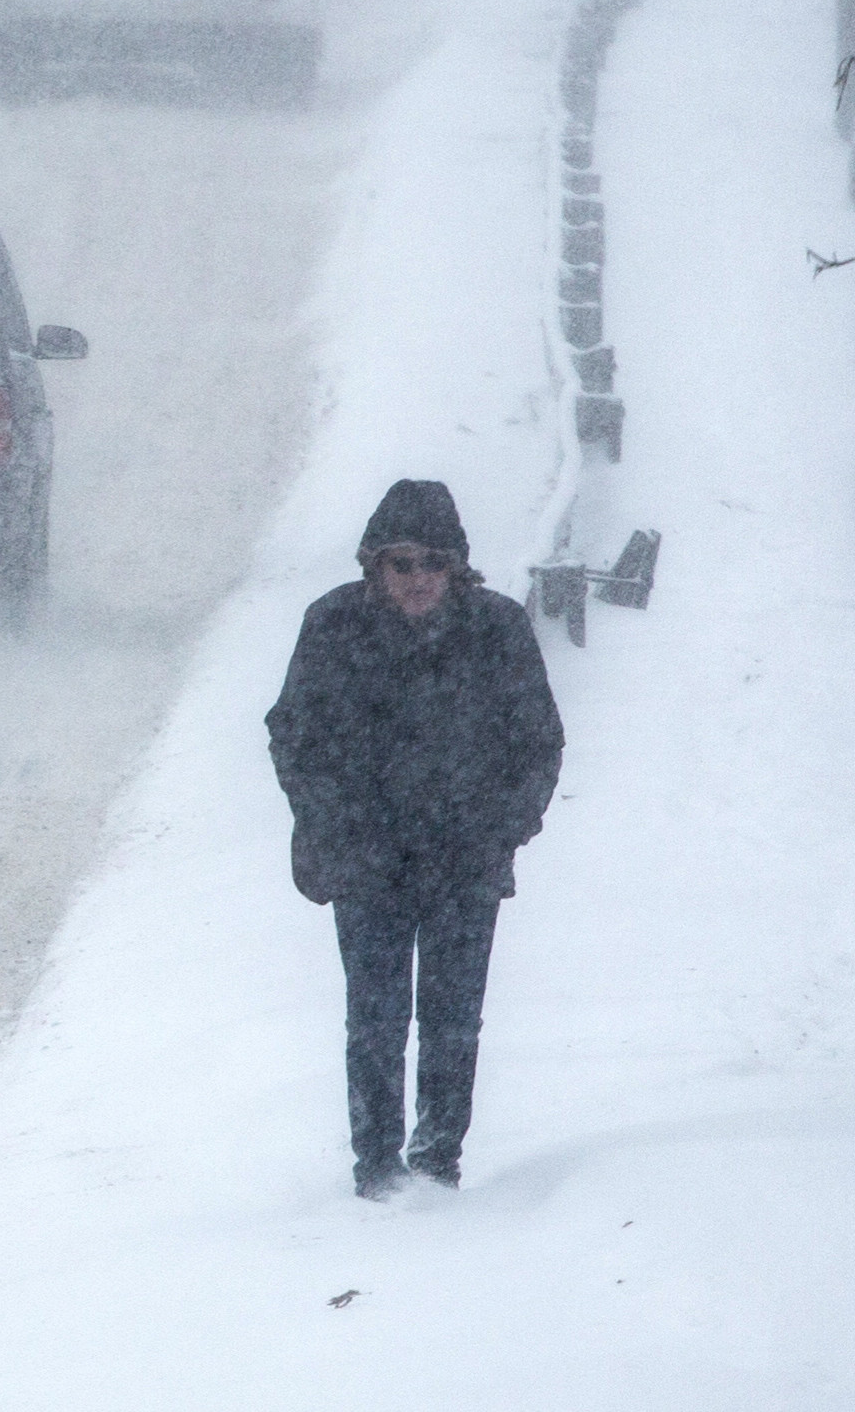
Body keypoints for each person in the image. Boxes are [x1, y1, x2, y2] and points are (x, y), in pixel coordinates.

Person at [266, 479, 564, 1199]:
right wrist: (332, 822)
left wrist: (500, 828)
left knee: (452, 1016)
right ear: (374, 565)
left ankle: (436, 1159)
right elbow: (292, 732)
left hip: (463, 859)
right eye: (401, 563)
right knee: (373, 1016)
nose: (418, 578)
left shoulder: (495, 630)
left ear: (456, 565)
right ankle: (375, 1166)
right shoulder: (331, 625)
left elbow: (537, 742)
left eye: (433, 561)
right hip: (366, 858)